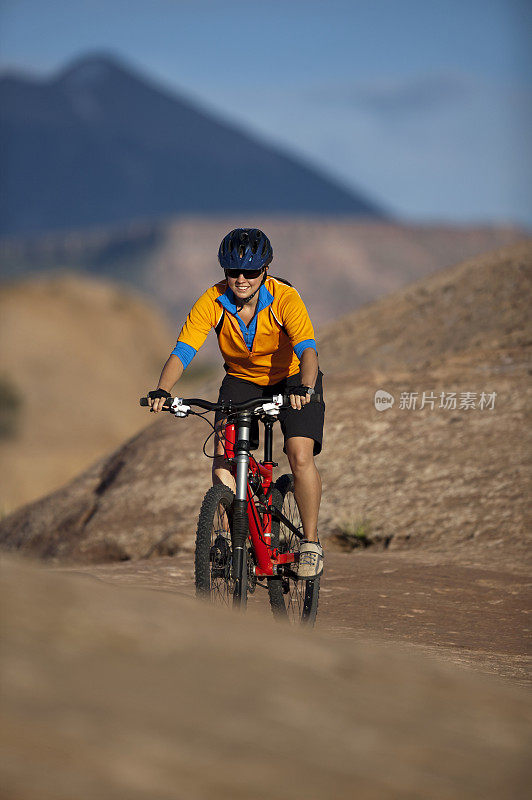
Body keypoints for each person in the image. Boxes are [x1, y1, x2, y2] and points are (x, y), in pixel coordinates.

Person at [148, 228, 325, 578]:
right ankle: (229, 539)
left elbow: (307, 350)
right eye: (233, 272)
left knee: (299, 454)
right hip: (242, 379)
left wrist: (305, 388)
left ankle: (309, 542)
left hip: (291, 378)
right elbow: (184, 350)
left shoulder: (285, 298)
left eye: (251, 272)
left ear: (266, 271)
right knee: (223, 452)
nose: (241, 279)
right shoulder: (212, 301)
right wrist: (162, 390)